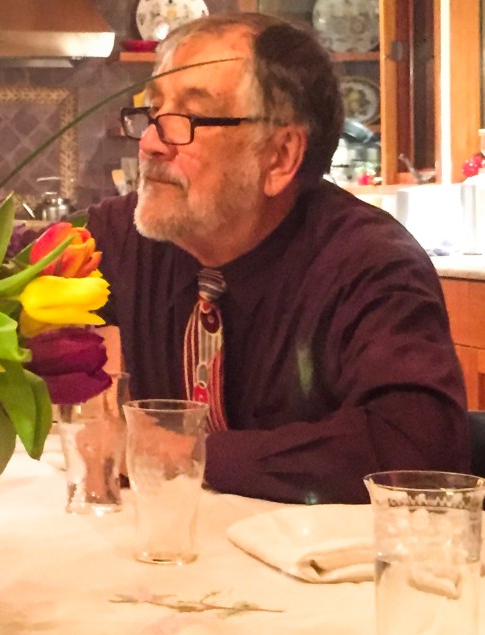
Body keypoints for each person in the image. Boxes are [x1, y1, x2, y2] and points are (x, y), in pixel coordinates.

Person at [87, 12, 469, 504]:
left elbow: (419, 448)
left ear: (280, 156)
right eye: (155, 110)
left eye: (190, 119)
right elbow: (12, 315)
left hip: (318, 554)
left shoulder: (368, 264)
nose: (151, 141)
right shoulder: (122, 237)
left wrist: (184, 454)